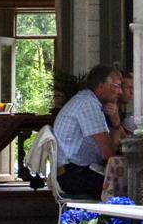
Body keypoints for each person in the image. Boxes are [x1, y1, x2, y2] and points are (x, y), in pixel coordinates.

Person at [50, 64, 126, 198]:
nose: (120, 92)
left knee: (125, 179)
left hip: (75, 171)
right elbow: (109, 154)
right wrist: (115, 126)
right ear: (100, 86)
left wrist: (116, 123)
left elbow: (110, 152)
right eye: (116, 86)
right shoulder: (88, 104)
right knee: (128, 184)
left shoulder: (88, 101)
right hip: (73, 175)